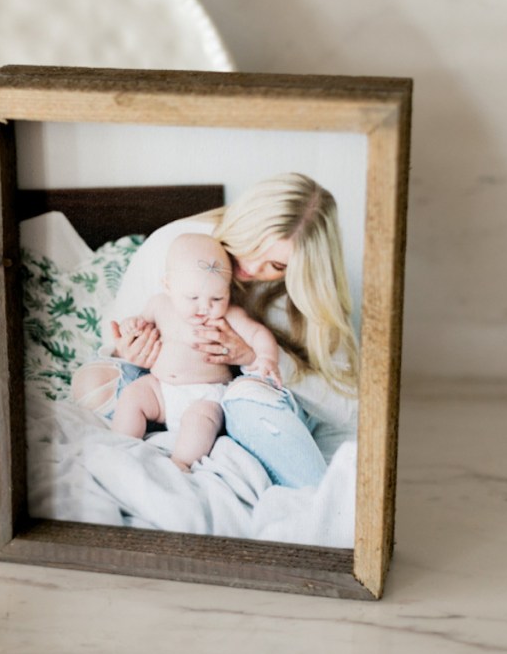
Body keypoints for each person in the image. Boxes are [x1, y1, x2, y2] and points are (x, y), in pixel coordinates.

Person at [71, 172, 359, 488]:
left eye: (276, 266)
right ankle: (132, 444)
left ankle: (291, 479)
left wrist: (254, 358)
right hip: (164, 383)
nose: (251, 265)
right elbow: (118, 329)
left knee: (246, 398)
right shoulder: (178, 246)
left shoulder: (301, 292)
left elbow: (346, 405)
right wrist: (130, 348)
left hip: (230, 396)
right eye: (250, 243)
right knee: (94, 381)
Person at [110, 233, 282, 472]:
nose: (205, 306)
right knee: (132, 395)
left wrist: (266, 357)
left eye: (217, 297)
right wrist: (132, 325)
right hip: (160, 390)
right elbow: (140, 324)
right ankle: (122, 446)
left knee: (202, 420)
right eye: (193, 297)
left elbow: (258, 333)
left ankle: (181, 462)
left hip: (206, 394)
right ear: (168, 285)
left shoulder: (229, 315)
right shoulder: (159, 305)